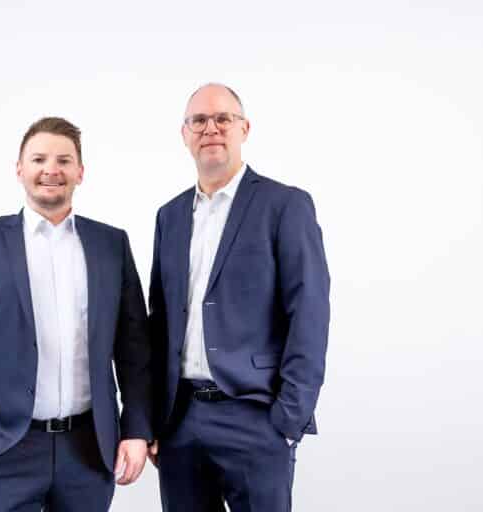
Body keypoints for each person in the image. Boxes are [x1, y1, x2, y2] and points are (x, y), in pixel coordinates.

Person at [0, 117, 152, 511]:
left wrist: (136, 429)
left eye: (64, 160)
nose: (51, 169)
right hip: (0, 448)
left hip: (88, 450)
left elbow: (134, 348)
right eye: (39, 159)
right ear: (20, 169)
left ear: (80, 172)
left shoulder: (110, 245)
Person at [147, 84, 330, 511]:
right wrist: (153, 417)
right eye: (199, 120)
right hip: (180, 421)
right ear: (185, 134)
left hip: (255, 416)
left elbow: (309, 312)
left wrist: (289, 420)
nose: (210, 128)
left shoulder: (285, 205)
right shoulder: (170, 216)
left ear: (244, 128)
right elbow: (159, 320)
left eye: (223, 119)